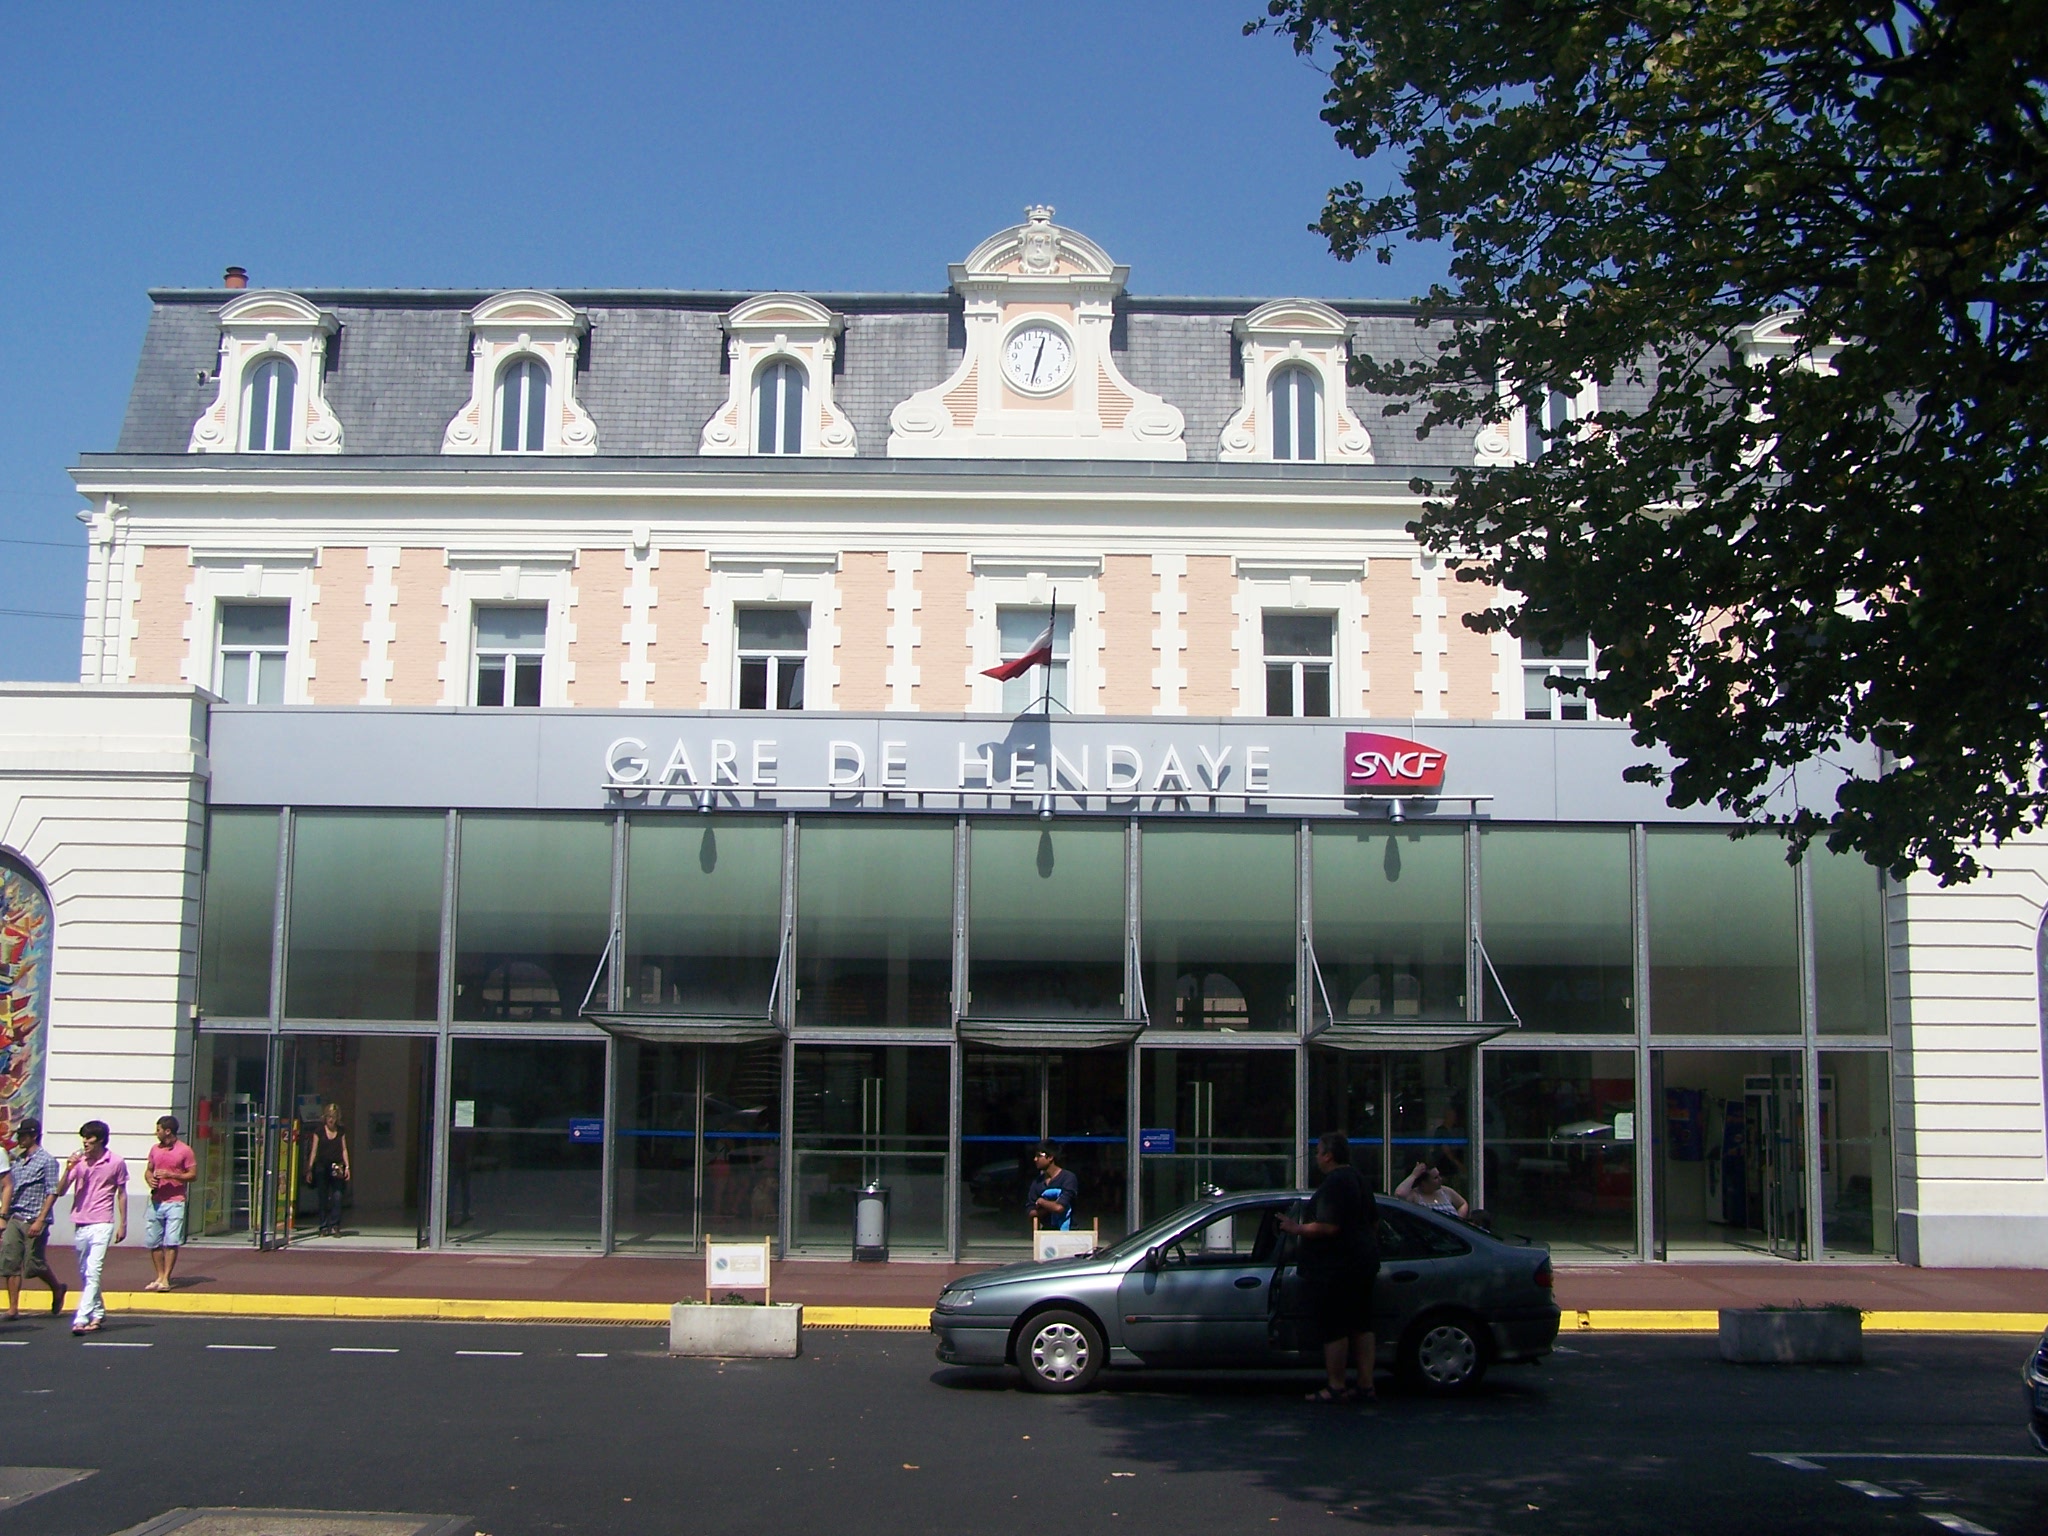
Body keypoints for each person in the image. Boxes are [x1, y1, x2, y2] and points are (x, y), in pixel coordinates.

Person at [1280, 1130, 1380, 1403]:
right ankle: (1366, 1384)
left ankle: (1336, 1385)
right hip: (1363, 1263)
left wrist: (1296, 1228)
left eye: (1318, 1152)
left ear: (1328, 1156)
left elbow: (1329, 1226)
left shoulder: (1335, 1183)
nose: (1316, 1158)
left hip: (1338, 1268)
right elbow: (1374, 1222)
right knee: (1361, 1324)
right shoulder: (1359, 1179)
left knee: (1335, 1326)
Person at [55, 1120, 125, 1335]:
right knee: (86, 1272)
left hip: (103, 1221)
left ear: (101, 1140)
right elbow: (60, 1190)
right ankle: (98, 1312)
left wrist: (123, 1223)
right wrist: (68, 1169)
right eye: (83, 1138)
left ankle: (81, 1317)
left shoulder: (116, 1162)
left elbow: (121, 1193)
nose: (85, 1142)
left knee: (94, 1270)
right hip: (81, 1221)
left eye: (89, 1139)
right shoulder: (80, 1162)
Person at [1, 1118, 65, 1319]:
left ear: (34, 1136)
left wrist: (40, 1219)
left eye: (23, 1136)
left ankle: (57, 1287)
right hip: (15, 1216)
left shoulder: (47, 1161)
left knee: (33, 1265)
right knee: (10, 1261)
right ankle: (13, 1308)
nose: (20, 1139)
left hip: (35, 1217)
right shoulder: (18, 1160)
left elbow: (52, 1192)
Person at [142, 1115, 195, 1291]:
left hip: (175, 1201)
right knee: (153, 1241)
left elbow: (192, 1175)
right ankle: (159, 1275)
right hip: (156, 1200)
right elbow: (149, 1170)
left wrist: (172, 1175)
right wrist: (150, 1180)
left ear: (167, 1131)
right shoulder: (155, 1149)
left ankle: (166, 1278)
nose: (155, 1133)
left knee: (172, 1240)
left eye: (158, 1130)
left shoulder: (184, 1150)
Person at [304, 1103, 351, 1236]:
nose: (331, 1120)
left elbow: (344, 1149)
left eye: (334, 1117)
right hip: (322, 1166)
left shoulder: (341, 1131)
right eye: (329, 1116)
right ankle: (323, 1226)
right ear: (325, 1117)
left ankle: (335, 1225)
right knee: (323, 1196)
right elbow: (314, 1151)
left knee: (337, 1195)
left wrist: (347, 1166)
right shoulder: (319, 1131)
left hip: (337, 1165)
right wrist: (309, 1169)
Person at [1025, 1141, 1078, 1231]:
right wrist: (1049, 1207)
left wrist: (1042, 1202)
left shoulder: (1068, 1178)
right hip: (1046, 1233)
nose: (1035, 1159)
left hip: (1068, 1232)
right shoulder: (1037, 1182)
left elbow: (1059, 1208)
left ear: (1050, 1157)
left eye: (1039, 1156)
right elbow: (1031, 1212)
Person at [1396, 1160, 1470, 1219]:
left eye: (1439, 1175)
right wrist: (1414, 1175)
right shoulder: (1415, 1195)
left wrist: (1458, 1220)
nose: (1440, 1179)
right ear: (1424, 1183)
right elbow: (1400, 1193)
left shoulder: (1445, 1191)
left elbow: (1463, 1204)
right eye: (1435, 1178)